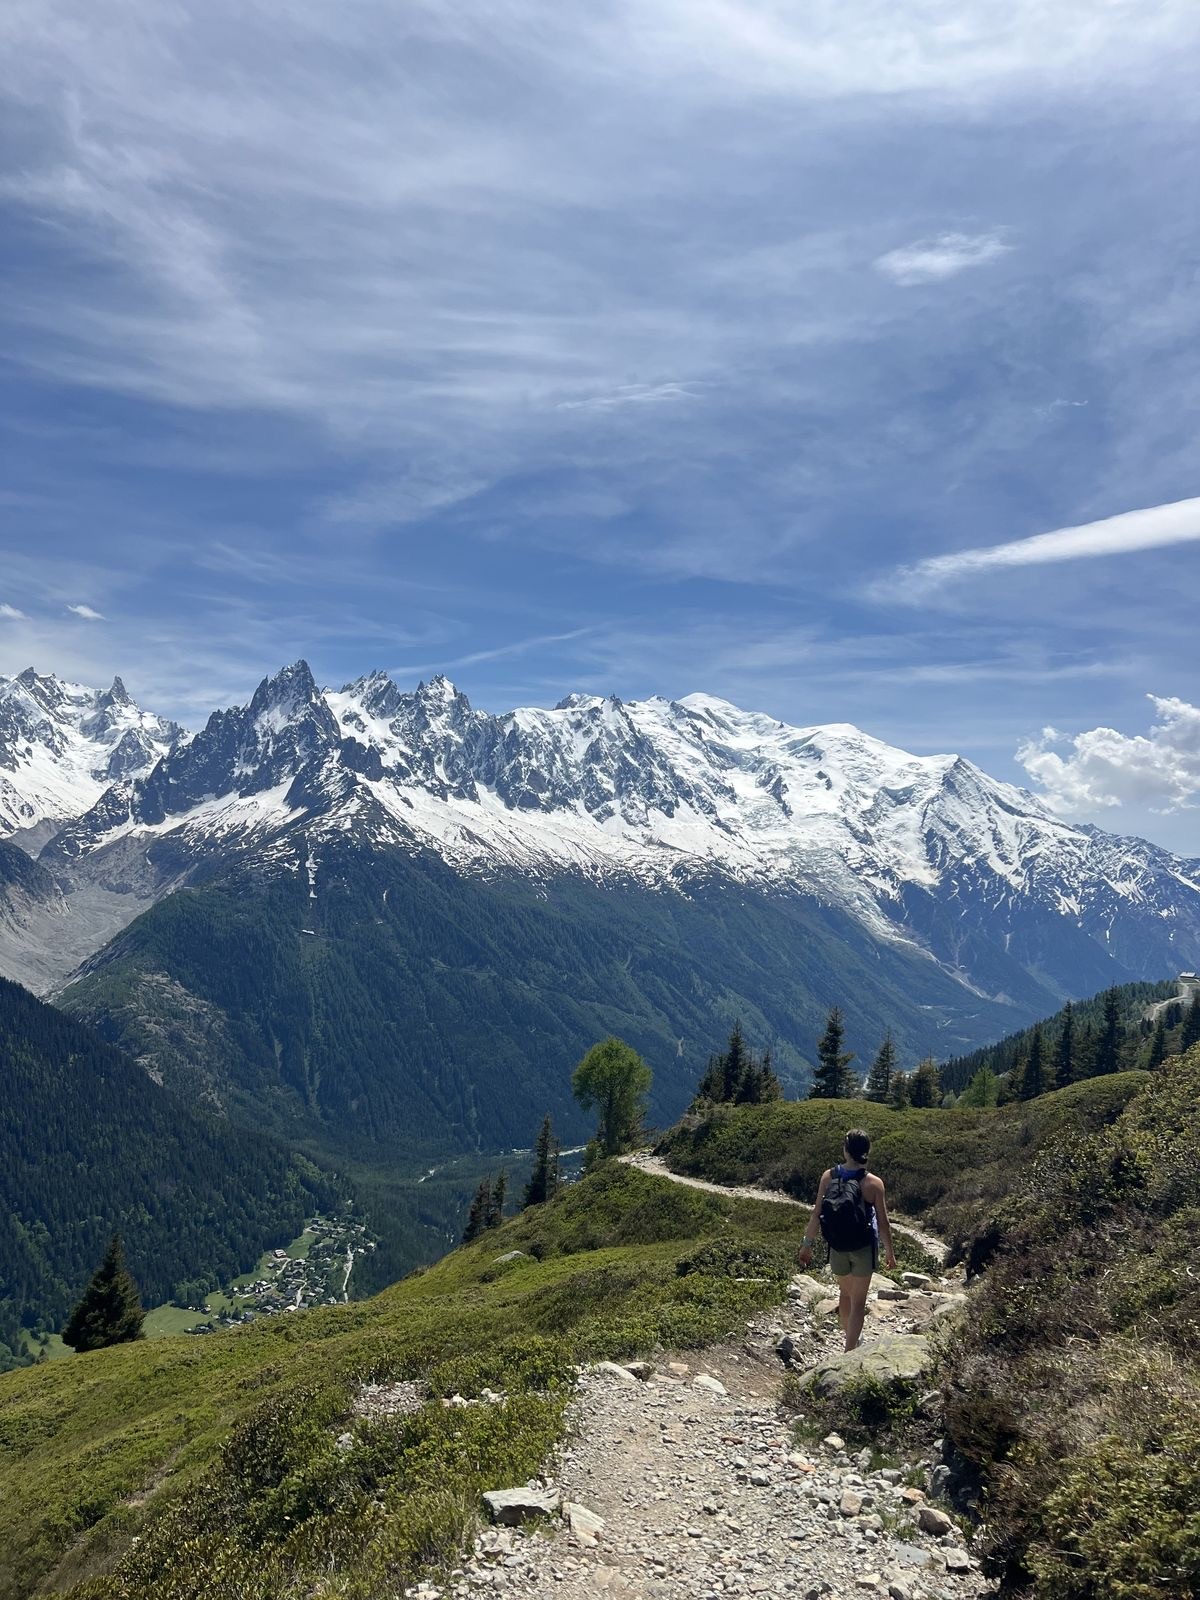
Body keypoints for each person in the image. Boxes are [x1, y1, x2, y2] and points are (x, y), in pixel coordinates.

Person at [796, 1128, 896, 1353]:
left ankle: (849, 1338)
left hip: (837, 1247)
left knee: (845, 1294)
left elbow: (816, 1214)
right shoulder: (874, 1184)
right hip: (863, 1248)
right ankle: (850, 1350)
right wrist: (890, 1252)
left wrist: (807, 1245)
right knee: (859, 1301)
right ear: (867, 1151)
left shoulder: (828, 1176)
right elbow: (883, 1222)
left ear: (845, 1150)